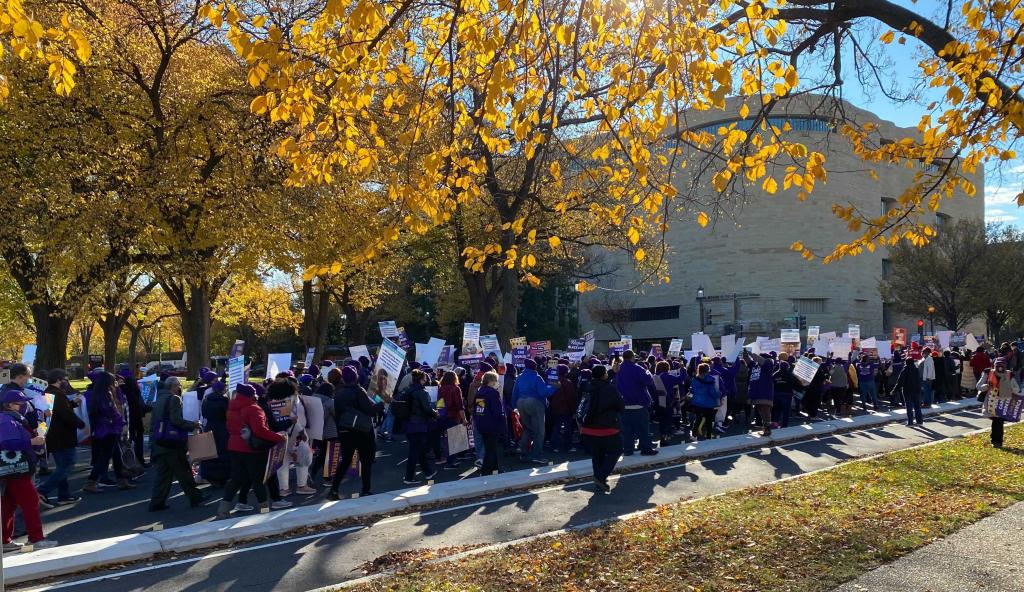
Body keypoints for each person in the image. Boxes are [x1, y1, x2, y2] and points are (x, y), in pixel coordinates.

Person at [216, 384, 287, 518]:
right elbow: (260, 430)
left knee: (236, 479)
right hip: (252, 448)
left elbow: (229, 427)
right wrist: (279, 437)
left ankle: (223, 510)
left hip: (234, 445)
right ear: (251, 395)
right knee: (258, 480)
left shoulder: (231, 408)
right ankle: (264, 511)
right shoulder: (254, 409)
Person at [1, 388, 57, 551]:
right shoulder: (7, 420)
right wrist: (32, 442)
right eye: (21, 403)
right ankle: (36, 539)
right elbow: (8, 443)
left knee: (8, 505)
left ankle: (5, 540)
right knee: (30, 502)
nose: (25, 406)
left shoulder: (12, 418)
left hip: (11, 469)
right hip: (16, 469)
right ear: (10, 405)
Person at [149, 376, 206, 511]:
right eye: (179, 385)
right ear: (174, 386)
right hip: (172, 442)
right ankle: (195, 497)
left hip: (160, 441)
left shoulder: (158, 400)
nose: (180, 387)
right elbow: (176, 420)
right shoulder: (174, 399)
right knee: (183, 471)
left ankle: (157, 502)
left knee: (163, 475)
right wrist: (193, 425)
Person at [329, 365, 378, 498]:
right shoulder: (358, 391)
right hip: (362, 430)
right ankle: (366, 489)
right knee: (366, 461)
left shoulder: (338, 392)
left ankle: (334, 489)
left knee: (345, 460)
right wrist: (379, 405)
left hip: (345, 431)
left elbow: (337, 413)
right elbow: (370, 411)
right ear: (356, 376)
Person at [36, 369, 84, 505]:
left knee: (61, 466)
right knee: (68, 464)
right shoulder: (57, 394)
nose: (67, 382)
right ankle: (42, 490)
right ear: (59, 380)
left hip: (53, 435)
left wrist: (72, 403)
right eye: (66, 379)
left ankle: (64, 495)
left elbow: (57, 411)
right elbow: (65, 414)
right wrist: (81, 424)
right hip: (62, 436)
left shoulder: (48, 393)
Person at [83, 371, 135, 492]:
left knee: (115, 455)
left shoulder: (97, 394)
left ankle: (121, 480)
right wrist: (122, 423)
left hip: (103, 428)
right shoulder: (106, 395)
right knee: (104, 457)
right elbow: (112, 412)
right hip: (109, 429)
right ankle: (91, 482)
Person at [580, 365, 625, 493]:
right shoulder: (610, 389)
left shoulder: (586, 386)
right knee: (616, 450)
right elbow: (621, 406)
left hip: (588, 427)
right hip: (607, 427)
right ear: (603, 375)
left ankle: (599, 480)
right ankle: (600, 477)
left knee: (597, 454)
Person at [613, 350, 658, 456]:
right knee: (643, 429)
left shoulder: (617, 368)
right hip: (638, 403)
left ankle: (628, 449)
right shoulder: (638, 368)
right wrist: (648, 371)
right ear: (632, 357)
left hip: (623, 404)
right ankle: (645, 448)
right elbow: (649, 381)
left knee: (627, 430)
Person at [511, 359, 554, 464]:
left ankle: (522, 450)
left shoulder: (519, 377)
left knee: (527, 428)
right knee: (539, 431)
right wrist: (554, 388)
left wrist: (514, 406)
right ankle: (536, 455)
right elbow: (543, 392)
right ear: (535, 367)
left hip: (520, 402)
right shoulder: (537, 377)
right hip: (534, 402)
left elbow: (514, 393)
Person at [402, 369, 439, 484]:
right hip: (418, 424)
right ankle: (409, 477)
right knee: (415, 451)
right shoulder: (421, 392)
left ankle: (428, 472)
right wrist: (435, 413)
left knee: (419, 449)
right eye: (425, 379)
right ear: (421, 380)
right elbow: (427, 408)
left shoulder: (407, 390)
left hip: (408, 423)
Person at [977, 357, 1021, 449]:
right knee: (997, 421)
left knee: (999, 421)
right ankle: (996, 441)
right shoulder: (988, 372)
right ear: (995, 365)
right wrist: (986, 385)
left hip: (1003, 401)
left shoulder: (1009, 374)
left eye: (1002, 365)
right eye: (998, 365)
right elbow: (979, 386)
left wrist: (1010, 388)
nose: (1000, 368)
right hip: (991, 401)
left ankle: (997, 441)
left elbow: (1017, 389)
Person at [472, 371, 507, 476]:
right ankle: (486, 471)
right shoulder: (492, 393)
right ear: (491, 381)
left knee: (490, 447)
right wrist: (502, 425)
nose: (496, 383)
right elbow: (497, 411)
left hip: (481, 423)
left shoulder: (480, 392)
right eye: (495, 380)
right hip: (492, 424)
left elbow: (478, 410)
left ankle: (496, 468)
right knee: (491, 449)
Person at [199, 381, 231, 487]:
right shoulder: (224, 400)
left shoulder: (206, 399)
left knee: (210, 452)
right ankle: (223, 476)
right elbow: (227, 415)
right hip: (222, 428)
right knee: (222, 451)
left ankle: (211, 476)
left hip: (209, 426)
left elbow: (203, 413)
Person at [438, 371, 466, 469]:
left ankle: (448, 458)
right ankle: (451, 462)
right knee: (454, 439)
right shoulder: (456, 388)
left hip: (443, 416)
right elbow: (460, 405)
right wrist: (464, 419)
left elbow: (439, 403)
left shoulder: (441, 388)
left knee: (446, 438)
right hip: (454, 416)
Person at [744, 351, 775, 436]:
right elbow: (749, 363)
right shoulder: (755, 366)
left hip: (765, 392)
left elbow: (763, 361)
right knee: (761, 410)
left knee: (765, 409)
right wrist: (745, 356)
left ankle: (767, 429)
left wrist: (752, 354)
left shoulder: (768, 364)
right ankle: (765, 428)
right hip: (756, 392)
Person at [548, 364, 578, 453]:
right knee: (567, 429)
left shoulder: (552, 382)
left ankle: (554, 446)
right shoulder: (568, 383)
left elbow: (549, 395)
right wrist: (573, 411)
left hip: (555, 408)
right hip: (566, 409)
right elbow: (571, 398)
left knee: (556, 428)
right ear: (566, 372)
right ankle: (567, 446)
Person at [688, 363, 721, 439]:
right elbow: (713, 393)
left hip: (697, 403)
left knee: (698, 419)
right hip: (708, 404)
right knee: (709, 421)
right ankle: (708, 436)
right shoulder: (711, 379)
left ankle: (693, 435)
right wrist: (719, 394)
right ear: (707, 370)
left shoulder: (694, 379)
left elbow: (692, 391)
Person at [893, 353, 924, 426]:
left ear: (906, 363)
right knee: (917, 407)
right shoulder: (916, 369)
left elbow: (900, 382)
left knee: (909, 408)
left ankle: (910, 422)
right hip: (917, 390)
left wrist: (894, 391)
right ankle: (919, 421)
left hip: (908, 391)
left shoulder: (904, 370)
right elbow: (919, 380)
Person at [772, 361, 801, 428]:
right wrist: (799, 390)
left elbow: (771, 383)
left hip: (776, 394)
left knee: (777, 409)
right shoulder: (790, 375)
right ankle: (784, 425)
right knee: (786, 410)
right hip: (787, 394)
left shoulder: (775, 374)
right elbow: (796, 384)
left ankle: (775, 424)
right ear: (787, 367)